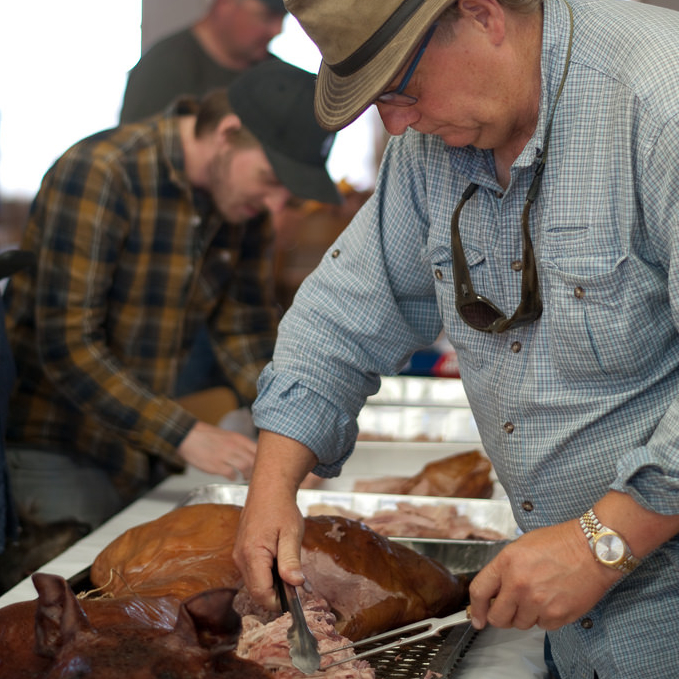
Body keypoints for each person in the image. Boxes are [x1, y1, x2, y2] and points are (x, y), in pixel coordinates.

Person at [232, 1, 679, 678]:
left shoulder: (657, 101)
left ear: (481, 13)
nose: (396, 122)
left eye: (399, 89)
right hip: (577, 632)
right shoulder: (433, 141)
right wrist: (270, 488)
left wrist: (599, 544)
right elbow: (338, 317)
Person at [4, 59, 339, 532]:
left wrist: (287, 429)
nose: (275, 205)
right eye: (270, 178)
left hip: (142, 447)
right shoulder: (102, 173)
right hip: (56, 443)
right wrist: (183, 433)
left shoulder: (243, 202)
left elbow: (244, 328)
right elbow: (66, 344)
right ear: (226, 133)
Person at [119, 0, 286, 125]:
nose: (277, 30)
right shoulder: (162, 68)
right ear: (225, 4)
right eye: (266, 17)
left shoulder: (277, 74)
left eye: (283, 18)